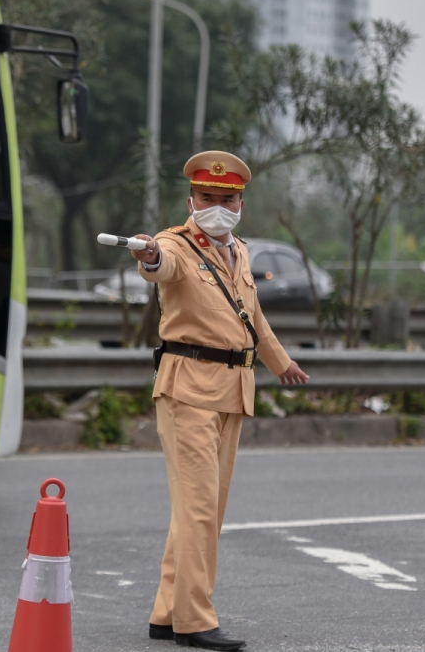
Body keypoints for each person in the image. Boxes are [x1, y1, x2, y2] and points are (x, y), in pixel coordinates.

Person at [131, 150, 309, 651]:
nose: (216, 206)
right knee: (200, 510)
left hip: (232, 391)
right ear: (191, 200)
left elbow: (252, 317)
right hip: (187, 388)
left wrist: (281, 363)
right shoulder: (176, 244)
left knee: (200, 508)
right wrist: (147, 256)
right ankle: (194, 620)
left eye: (225, 199)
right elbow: (159, 267)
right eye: (206, 198)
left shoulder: (241, 251)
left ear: (240, 205)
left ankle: (166, 613)